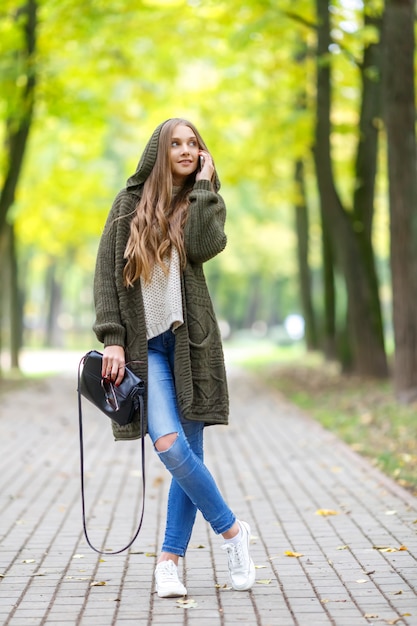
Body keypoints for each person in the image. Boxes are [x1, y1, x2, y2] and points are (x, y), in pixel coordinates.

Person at [93, 117, 255, 598]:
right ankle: (232, 531)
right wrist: (113, 338)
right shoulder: (127, 206)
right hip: (146, 349)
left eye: (193, 144)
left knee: (192, 452)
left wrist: (205, 188)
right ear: (159, 152)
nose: (185, 150)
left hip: (191, 346)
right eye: (176, 144)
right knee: (170, 445)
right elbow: (105, 275)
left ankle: (168, 562)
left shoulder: (203, 204)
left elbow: (206, 247)